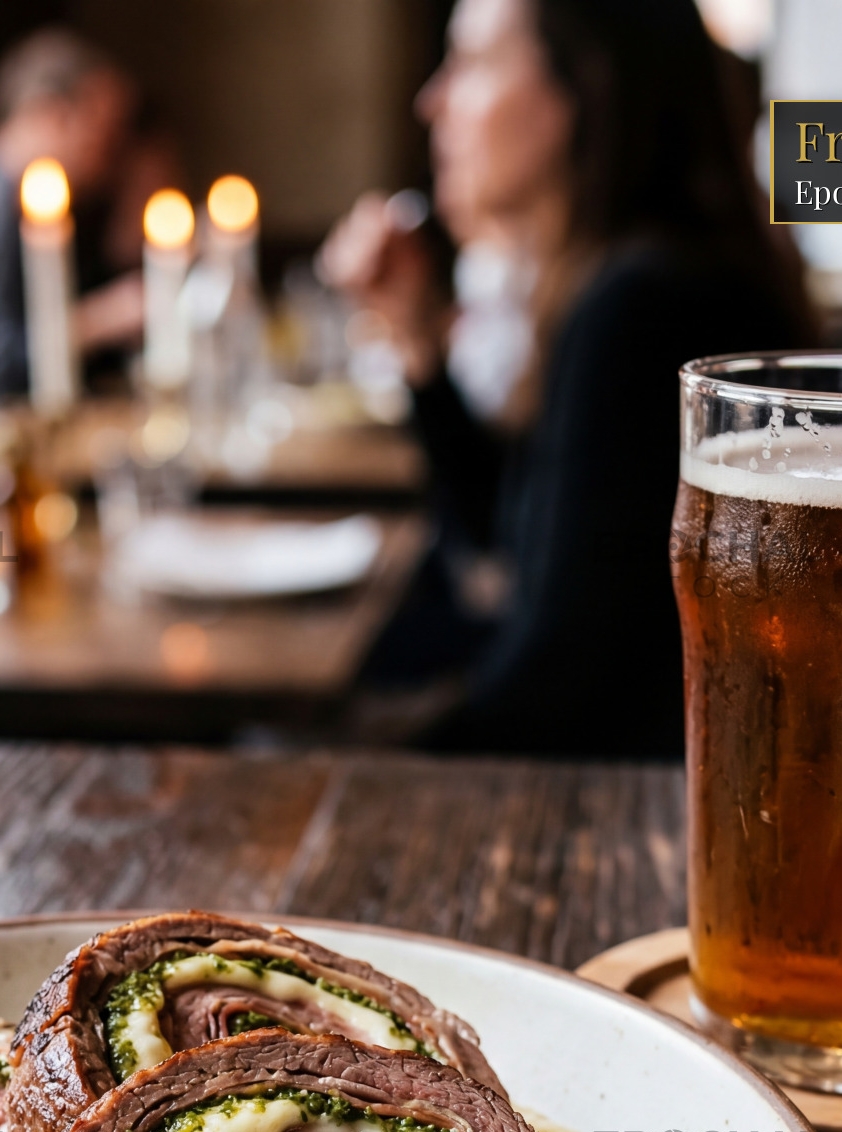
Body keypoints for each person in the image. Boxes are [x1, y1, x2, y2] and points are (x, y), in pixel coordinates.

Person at [320, 0, 807, 758]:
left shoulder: (644, 306)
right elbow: (516, 539)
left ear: (580, 92)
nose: (432, 100)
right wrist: (416, 337)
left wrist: (343, 766)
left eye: (472, 62)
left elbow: (558, 687)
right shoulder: (624, 283)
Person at [0, 28, 176, 417]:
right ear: (51, 116)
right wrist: (95, 322)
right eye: (101, 138)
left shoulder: (66, 209)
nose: (107, 162)